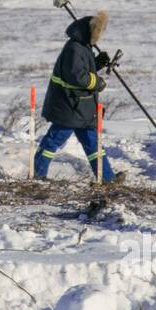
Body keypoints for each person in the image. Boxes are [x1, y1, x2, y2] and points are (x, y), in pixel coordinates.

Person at [33, 10, 120, 183]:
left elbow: (80, 70)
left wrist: (96, 64)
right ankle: (38, 175)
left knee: (93, 144)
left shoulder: (81, 47)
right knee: (53, 141)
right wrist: (98, 83)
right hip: (70, 106)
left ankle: (108, 178)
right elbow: (76, 76)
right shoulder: (74, 48)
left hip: (81, 107)